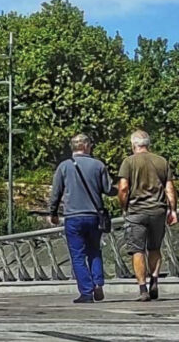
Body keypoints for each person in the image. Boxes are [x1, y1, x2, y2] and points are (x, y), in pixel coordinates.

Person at [49, 133, 117, 304]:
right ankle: (98, 283)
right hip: (94, 216)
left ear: (73, 147)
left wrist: (53, 213)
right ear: (87, 146)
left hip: (73, 217)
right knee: (94, 250)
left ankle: (86, 291)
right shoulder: (98, 165)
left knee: (78, 255)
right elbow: (108, 189)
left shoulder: (64, 167)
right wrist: (123, 187)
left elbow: (56, 192)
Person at [118, 130, 178, 301]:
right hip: (158, 211)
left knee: (137, 250)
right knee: (154, 248)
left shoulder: (128, 162)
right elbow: (169, 188)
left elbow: (123, 188)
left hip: (136, 212)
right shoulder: (161, 161)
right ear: (148, 144)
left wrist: (124, 207)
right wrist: (173, 210)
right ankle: (155, 280)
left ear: (133, 145)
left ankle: (143, 289)